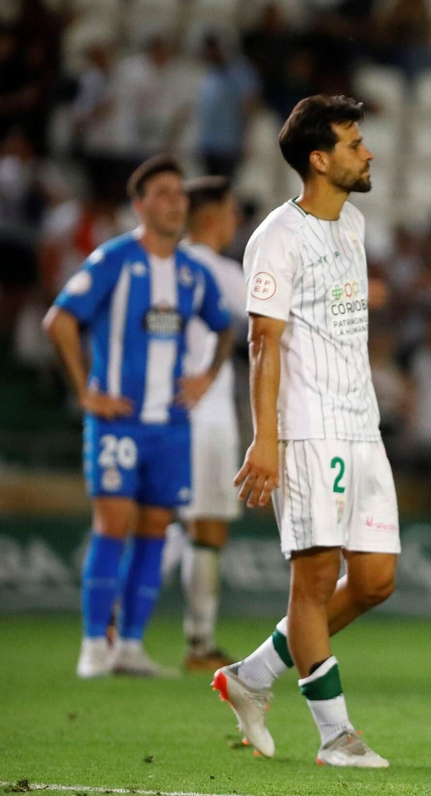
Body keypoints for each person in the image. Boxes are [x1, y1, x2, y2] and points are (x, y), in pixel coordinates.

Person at [215, 95, 394, 768]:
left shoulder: (353, 224)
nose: (367, 153)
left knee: (375, 580)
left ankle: (253, 674)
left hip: (362, 424)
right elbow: (263, 340)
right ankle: (336, 735)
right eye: (353, 143)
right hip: (310, 427)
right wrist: (266, 438)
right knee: (313, 582)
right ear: (319, 159)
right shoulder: (278, 237)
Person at [44, 155, 232, 679]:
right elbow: (59, 321)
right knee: (112, 524)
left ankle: (129, 645)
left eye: (179, 193)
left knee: (154, 528)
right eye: (163, 193)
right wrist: (86, 392)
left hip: (170, 425)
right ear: (139, 204)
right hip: (119, 420)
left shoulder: (193, 272)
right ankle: (93, 645)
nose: (174, 202)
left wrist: (206, 377)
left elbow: (225, 326)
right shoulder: (114, 259)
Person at [166, 176, 249, 673]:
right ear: (212, 216)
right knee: (206, 525)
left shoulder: (168, 265)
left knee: (176, 522)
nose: (237, 220)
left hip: (173, 412)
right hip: (207, 415)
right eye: (232, 211)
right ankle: (199, 642)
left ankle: (115, 617)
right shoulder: (218, 270)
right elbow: (270, 318)